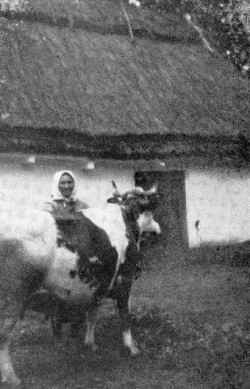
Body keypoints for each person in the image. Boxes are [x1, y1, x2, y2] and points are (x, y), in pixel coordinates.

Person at [44, 170, 89, 248]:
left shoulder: (82, 205)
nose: (66, 186)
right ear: (56, 185)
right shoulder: (49, 206)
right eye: (62, 183)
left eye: (69, 182)